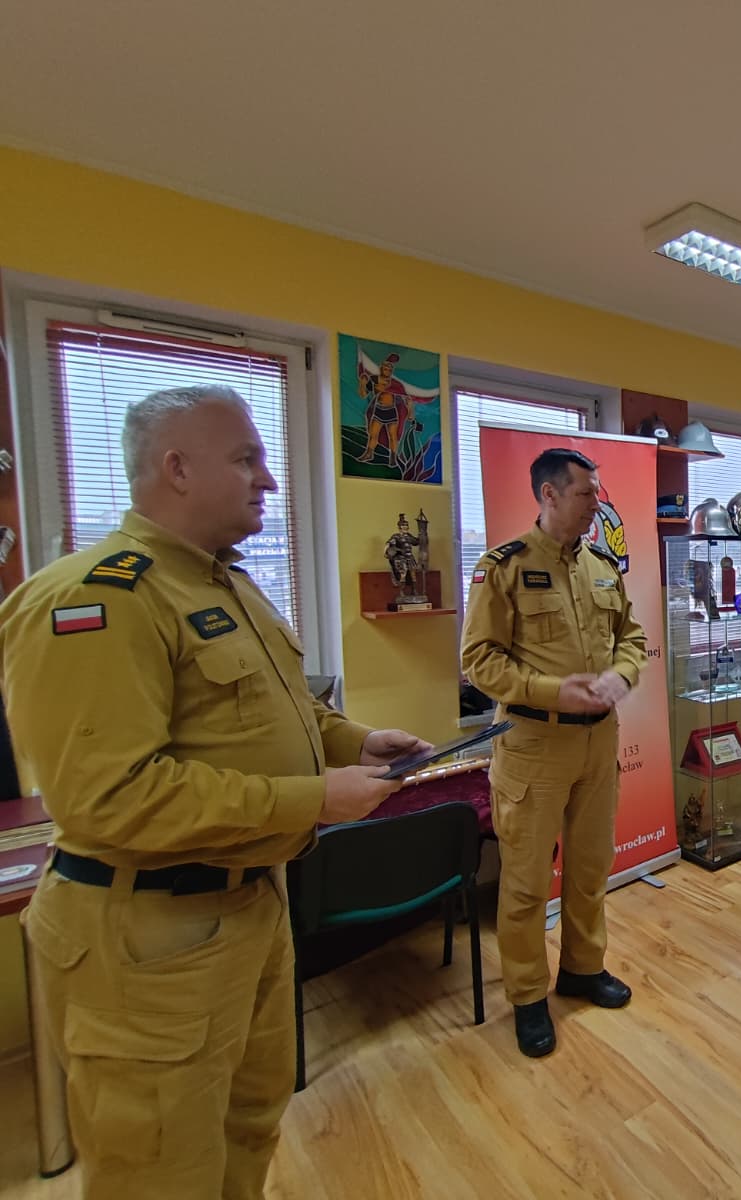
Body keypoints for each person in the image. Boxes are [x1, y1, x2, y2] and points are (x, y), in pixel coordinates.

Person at [0, 385, 428, 1200]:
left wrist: (356, 742)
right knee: (162, 1174)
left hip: (249, 909)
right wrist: (314, 799)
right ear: (177, 468)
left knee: (249, 1127)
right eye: (247, 459)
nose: (268, 479)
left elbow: (285, 712)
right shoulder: (94, 599)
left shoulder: (226, 585)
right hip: (148, 941)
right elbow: (111, 797)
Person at [461, 447, 648, 1058]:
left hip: (598, 740)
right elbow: (479, 661)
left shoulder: (601, 566)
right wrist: (551, 690)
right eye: (586, 493)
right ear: (549, 494)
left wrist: (623, 674)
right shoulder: (503, 568)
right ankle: (527, 996)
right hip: (533, 745)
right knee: (525, 882)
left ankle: (582, 968)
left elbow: (631, 636)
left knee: (591, 868)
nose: (597, 503)